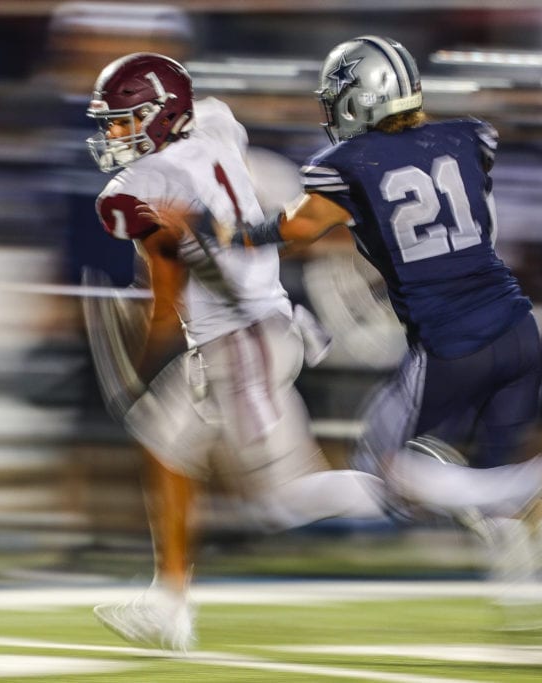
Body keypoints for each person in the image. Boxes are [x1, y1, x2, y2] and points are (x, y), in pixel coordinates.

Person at [160, 35, 542, 527]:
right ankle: (532, 542)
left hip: (453, 340)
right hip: (517, 323)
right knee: (492, 486)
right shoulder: (469, 137)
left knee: (386, 469)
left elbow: (295, 228)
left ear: (360, 96)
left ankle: (525, 485)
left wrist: (210, 229)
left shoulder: (350, 164)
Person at [83, 51, 388, 651]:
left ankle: (435, 490)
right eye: (111, 123)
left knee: (284, 499)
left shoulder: (133, 190)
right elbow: (210, 206)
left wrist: (139, 361)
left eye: (125, 120)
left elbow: (168, 296)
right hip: (247, 330)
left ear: (161, 114)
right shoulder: (216, 119)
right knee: (163, 440)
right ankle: (169, 605)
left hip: (241, 339)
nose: (115, 134)